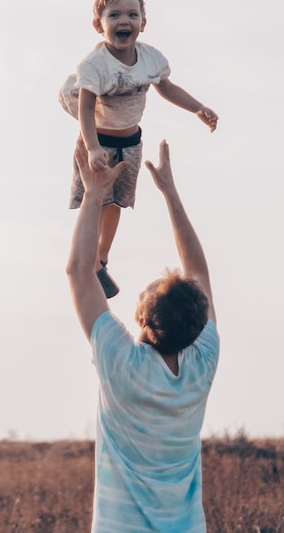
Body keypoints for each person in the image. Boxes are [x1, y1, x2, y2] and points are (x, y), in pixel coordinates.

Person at [66, 137, 220, 533]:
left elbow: (79, 271)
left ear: (142, 319)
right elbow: (199, 273)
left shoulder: (122, 364)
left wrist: (95, 193)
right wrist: (170, 195)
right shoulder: (202, 363)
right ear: (198, 323)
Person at [60, 0, 218, 298]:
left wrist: (198, 108)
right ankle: (87, 260)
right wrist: (91, 148)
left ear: (143, 23)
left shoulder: (149, 59)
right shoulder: (95, 65)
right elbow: (87, 108)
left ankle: (100, 260)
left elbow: (167, 87)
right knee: (95, 200)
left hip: (130, 141)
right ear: (98, 24)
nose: (124, 21)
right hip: (99, 140)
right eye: (114, 15)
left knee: (117, 202)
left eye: (132, 14)